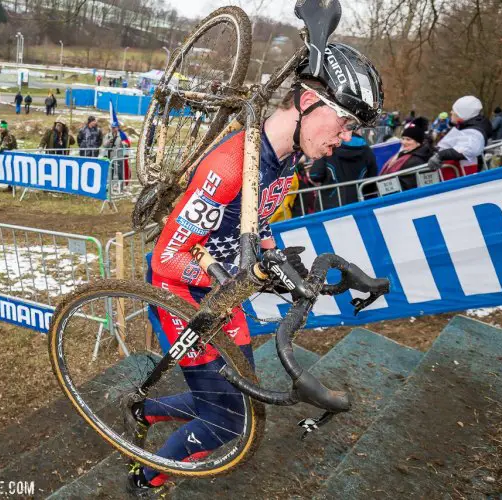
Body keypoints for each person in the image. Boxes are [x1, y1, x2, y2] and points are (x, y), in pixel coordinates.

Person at [129, 42, 384, 495]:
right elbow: (169, 255)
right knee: (227, 421)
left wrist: (274, 255)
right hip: (180, 291)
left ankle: (147, 410)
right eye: (345, 122)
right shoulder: (231, 163)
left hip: (225, 288)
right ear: (307, 102)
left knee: (234, 396)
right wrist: (232, 278)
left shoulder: (286, 159)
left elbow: (257, 215)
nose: (346, 137)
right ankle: (146, 477)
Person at [305, 132, 377, 211]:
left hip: (331, 205)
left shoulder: (328, 147)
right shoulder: (366, 149)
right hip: (360, 203)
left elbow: (315, 175)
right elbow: (372, 178)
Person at [427, 95, 493, 179]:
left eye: (454, 110)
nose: (451, 112)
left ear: (462, 114)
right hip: (458, 176)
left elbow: (468, 149)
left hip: (465, 179)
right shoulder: (467, 126)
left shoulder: (475, 132)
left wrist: (440, 155)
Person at [379, 117, 434, 190]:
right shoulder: (405, 154)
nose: (404, 142)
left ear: (418, 143)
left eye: (408, 139)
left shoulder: (416, 160)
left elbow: (407, 186)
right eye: (403, 138)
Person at [0, 121, 18, 192]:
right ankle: (10, 186)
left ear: (5, 127)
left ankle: (12, 187)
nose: (0, 129)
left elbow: (2, 146)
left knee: (11, 171)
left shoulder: (8, 135)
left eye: (1, 127)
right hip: (7, 155)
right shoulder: (2, 135)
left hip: (12, 155)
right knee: (8, 171)